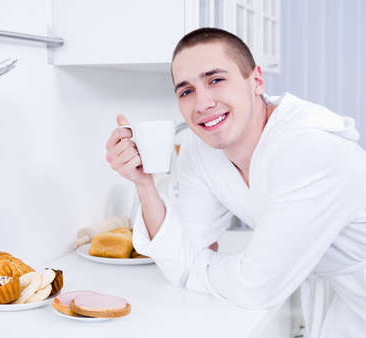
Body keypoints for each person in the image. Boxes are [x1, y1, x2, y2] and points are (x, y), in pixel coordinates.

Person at [105, 28, 366, 337]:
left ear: (256, 80)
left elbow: (256, 286)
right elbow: (182, 255)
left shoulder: (309, 150)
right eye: (186, 91)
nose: (202, 104)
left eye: (216, 80)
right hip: (342, 301)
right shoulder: (198, 149)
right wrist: (143, 183)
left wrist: (201, 268)